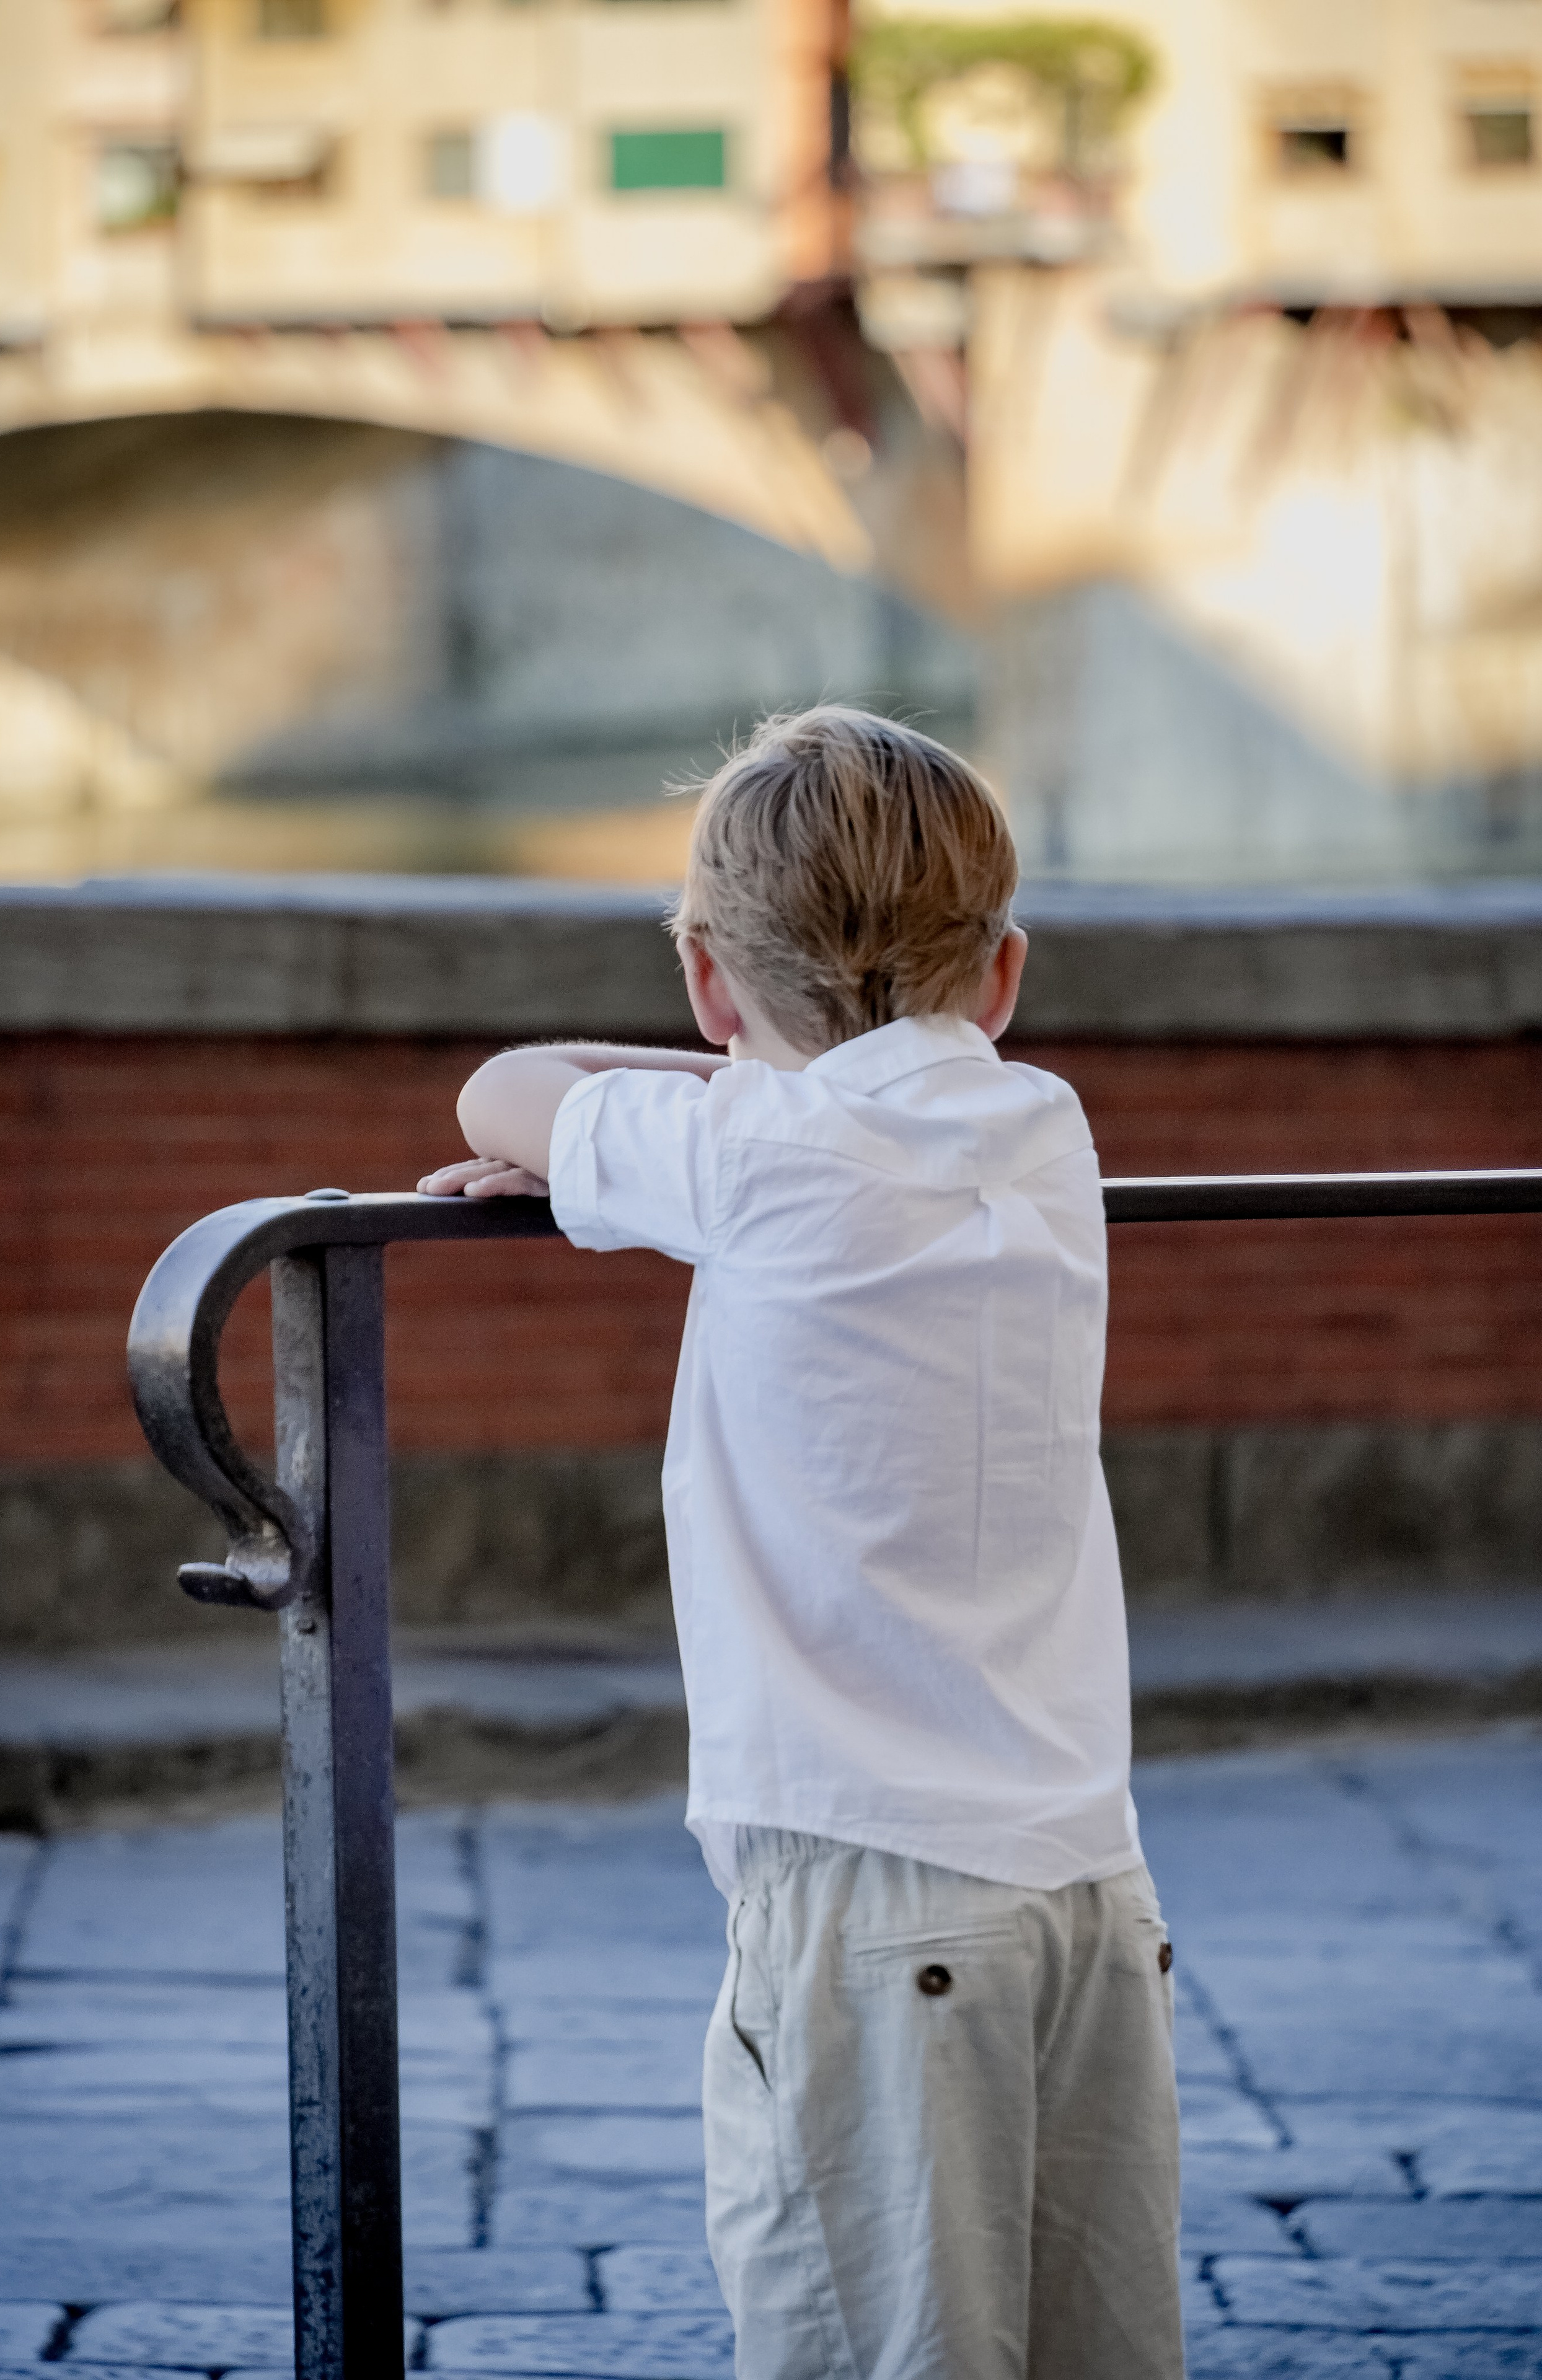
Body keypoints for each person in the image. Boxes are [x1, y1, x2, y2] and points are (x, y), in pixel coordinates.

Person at [418, 706, 1183, 2380]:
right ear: (1005, 977)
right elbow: (880, 1099)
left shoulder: (754, 1153)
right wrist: (767, 1072)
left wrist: (703, 1089)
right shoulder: (1046, 1131)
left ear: (709, 985)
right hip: (1087, 1893)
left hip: (866, 1900)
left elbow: (506, 1088)